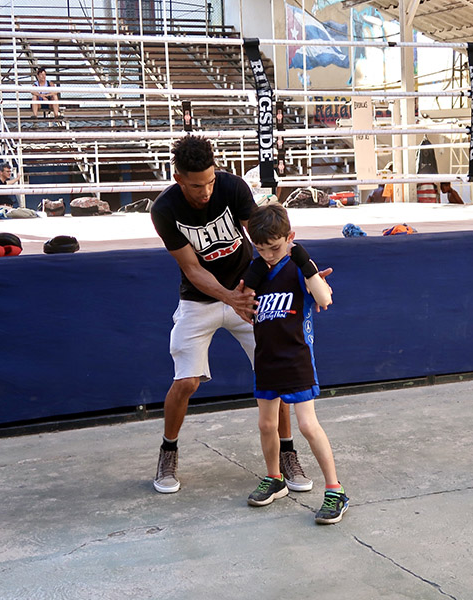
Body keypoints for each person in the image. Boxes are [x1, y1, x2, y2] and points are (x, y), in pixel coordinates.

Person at [149, 136, 312, 495]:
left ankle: (286, 454)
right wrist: (229, 298)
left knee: (276, 374)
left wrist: (304, 272)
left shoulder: (232, 187)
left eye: (209, 181)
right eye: (196, 185)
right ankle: (168, 450)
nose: (205, 191)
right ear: (178, 179)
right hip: (200, 298)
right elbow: (192, 269)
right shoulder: (165, 209)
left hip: (247, 290)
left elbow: (267, 237)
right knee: (187, 381)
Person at [242, 203, 348, 524]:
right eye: (260, 249)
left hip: (297, 360)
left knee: (306, 425)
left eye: (274, 247)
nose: (269, 255)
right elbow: (245, 308)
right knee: (265, 424)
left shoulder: (297, 269)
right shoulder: (258, 271)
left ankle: (335, 489)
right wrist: (248, 286)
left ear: (290, 238)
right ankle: (275, 478)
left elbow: (325, 299)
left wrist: (306, 263)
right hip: (266, 361)